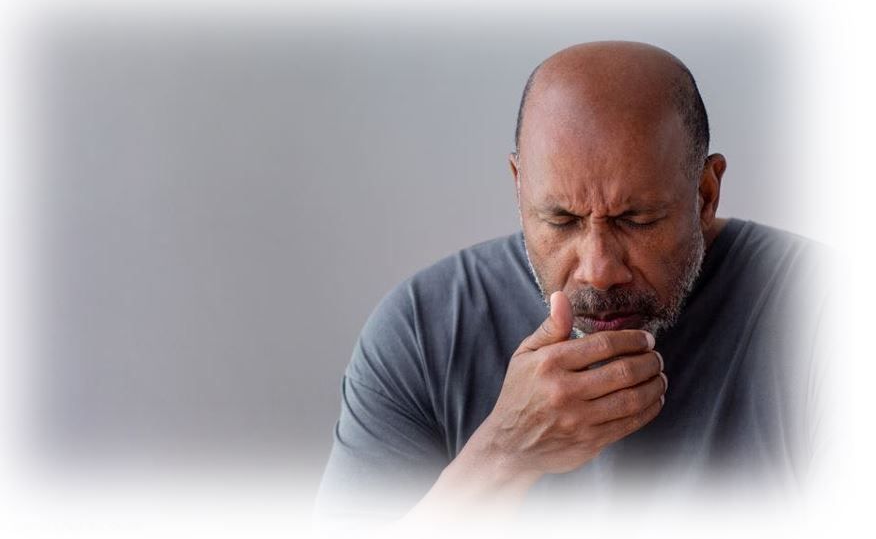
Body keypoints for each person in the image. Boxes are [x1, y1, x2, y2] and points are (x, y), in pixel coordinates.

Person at [313, 41, 828, 527]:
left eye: (637, 220)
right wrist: (503, 454)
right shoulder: (422, 331)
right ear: (519, 187)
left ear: (706, 193)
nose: (598, 270)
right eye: (560, 221)